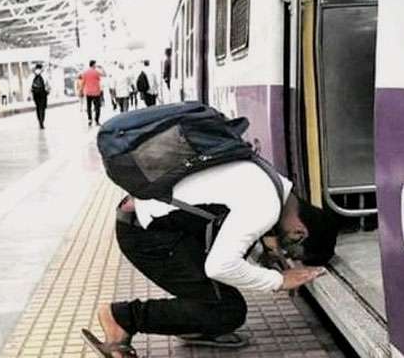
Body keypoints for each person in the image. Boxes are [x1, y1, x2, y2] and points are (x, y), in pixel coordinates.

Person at [81, 161, 339, 357]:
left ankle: (191, 323)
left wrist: (268, 254)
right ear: (300, 232)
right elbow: (220, 265)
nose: (288, 254)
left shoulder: (275, 183)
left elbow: (228, 217)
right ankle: (122, 317)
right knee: (228, 311)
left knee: (217, 298)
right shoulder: (265, 206)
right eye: (293, 250)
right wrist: (277, 280)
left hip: (154, 222)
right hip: (147, 237)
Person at [80, 60, 104, 126]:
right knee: (97, 107)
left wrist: (81, 91)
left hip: (88, 93)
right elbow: (104, 75)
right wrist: (101, 68)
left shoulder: (85, 73)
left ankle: (90, 119)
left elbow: (82, 83)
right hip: (96, 93)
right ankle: (96, 120)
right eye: (95, 65)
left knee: (89, 107)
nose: (96, 66)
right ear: (93, 65)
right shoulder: (96, 72)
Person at [29, 63, 50, 129]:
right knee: (42, 108)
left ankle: (40, 121)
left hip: (35, 93)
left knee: (38, 107)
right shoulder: (44, 75)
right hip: (43, 93)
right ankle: (42, 121)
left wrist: (29, 94)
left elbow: (29, 86)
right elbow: (48, 85)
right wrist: (48, 91)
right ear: (41, 68)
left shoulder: (32, 75)